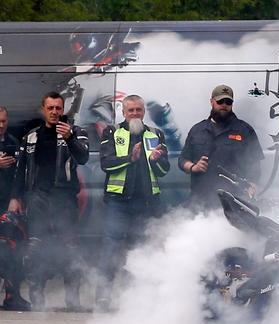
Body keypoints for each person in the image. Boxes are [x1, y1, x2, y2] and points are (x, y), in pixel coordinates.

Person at [8, 92, 89, 311]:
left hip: (64, 199)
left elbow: (83, 157)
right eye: (50, 108)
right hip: (38, 199)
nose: (54, 112)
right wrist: (15, 197)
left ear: (63, 110)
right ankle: (37, 299)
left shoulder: (76, 132)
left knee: (70, 248)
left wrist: (70, 137)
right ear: (43, 109)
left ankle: (72, 299)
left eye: (58, 108)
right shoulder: (31, 137)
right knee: (35, 248)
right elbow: (20, 170)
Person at [97, 94, 170, 310]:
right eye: (131, 110)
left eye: (139, 110)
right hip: (118, 203)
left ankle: (137, 299)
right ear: (123, 112)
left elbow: (164, 171)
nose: (135, 114)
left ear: (144, 111)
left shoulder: (156, 134)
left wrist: (156, 161)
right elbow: (105, 164)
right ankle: (104, 296)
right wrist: (130, 158)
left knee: (143, 249)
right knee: (111, 248)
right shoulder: (112, 132)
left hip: (147, 203)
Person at [179, 85, 264, 209]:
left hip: (233, 203)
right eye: (220, 101)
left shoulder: (245, 130)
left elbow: (255, 165)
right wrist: (193, 167)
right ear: (211, 102)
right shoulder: (197, 130)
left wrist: (252, 185)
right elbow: (182, 159)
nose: (224, 104)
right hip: (200, 203)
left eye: (228, 102)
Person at [0, 107, 31, 310]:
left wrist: (16, 198)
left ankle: (12, 295)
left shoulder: (13, 142)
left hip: (6, 204)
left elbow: (20, 175)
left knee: (11, 249)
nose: (1, 125)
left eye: (3, 121)